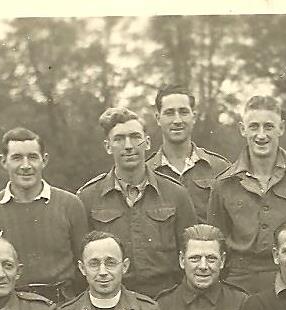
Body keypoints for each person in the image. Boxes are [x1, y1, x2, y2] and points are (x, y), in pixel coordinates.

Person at [207, 94, 286, 295]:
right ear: (242, 129)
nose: (261, 135)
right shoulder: (224, 183)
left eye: (269, 127)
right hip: (238, 283)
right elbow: (216, 242)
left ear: (281, 128)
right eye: (254, 127)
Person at [78, 107, 199, 299]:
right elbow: (81, 261)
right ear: (108, 146)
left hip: (166, 298)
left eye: (135, 137)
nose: (128, 146)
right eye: (119, 139)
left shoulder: (176, 194)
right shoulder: (88, 198)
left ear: (147, 142)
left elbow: (192, 252)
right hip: (111, 299)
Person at [0, 127, 90, 304]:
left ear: (44, 160)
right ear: (3, 161)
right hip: (9, 306)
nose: (26, 166)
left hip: (62, 305)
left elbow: (85, 265)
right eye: (17, 158)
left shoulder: (70, 205)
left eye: (33, 157)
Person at [149, 85, 231, 222]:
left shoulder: (220, 168)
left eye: (183, 112)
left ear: (194, 117)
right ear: (158, 118)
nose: (177, 120)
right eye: (169, 113)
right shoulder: (147, 173)